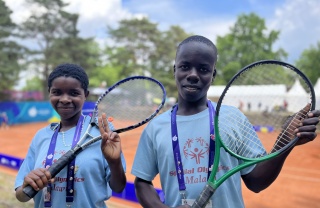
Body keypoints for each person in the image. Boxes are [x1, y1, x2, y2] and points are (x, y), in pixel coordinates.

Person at [131, 35, 320, 208]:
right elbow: (142, 182)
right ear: (175, 70)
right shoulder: (156, 128)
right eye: (185, 66)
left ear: (212, 75)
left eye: (203, 69)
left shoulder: (232, 118)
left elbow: (256, 182)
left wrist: (285, 141)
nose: (193, 74)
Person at [15, 63, 126, 208]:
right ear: (50, 93)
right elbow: (21, 196)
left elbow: (118, 187)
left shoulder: (101, 132)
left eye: (74, 93)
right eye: (57, 92)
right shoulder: (41, 136)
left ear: (85, 95)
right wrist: (27, 186)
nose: (65, 99)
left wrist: (114, 161)